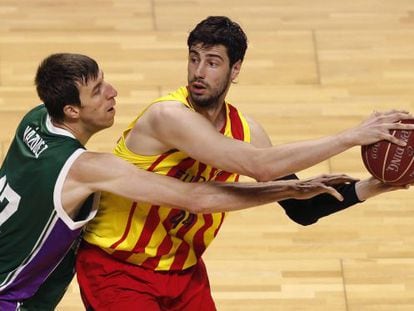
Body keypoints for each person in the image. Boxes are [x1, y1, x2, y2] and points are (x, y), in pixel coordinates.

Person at [75, 16, 414, 311]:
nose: (199, 72)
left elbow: (302, 210)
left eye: (212, 62)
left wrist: (378, 185)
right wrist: (351, 136)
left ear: (235, 69)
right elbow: (260, 167)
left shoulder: (247, 130)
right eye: (194, 59)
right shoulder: (168, 116)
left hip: (182, 270)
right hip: (118, 267)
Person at [0, 53, 354, 311]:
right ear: (71, 111)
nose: (112, 92)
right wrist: (292, 187)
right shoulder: (88, 168)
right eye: (97, 91)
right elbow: (195, 197)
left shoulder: (36, 120)